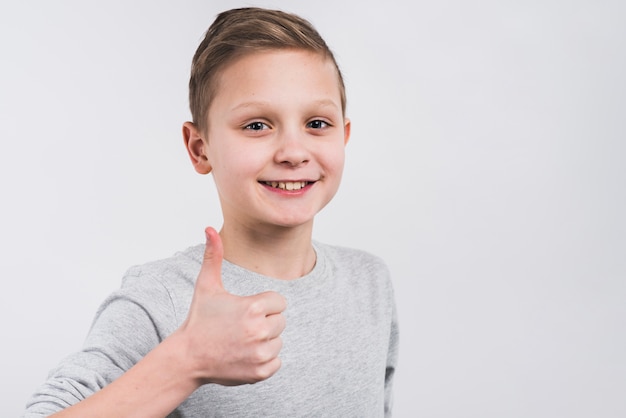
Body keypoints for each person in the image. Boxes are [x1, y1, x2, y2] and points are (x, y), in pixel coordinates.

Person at [24, 7, 399, 417]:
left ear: (343, 136)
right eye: (257, 125)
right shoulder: (162, 299)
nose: (294, 152)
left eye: (317, 123)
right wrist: (187, 361)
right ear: (199, 148)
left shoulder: (370, 282)